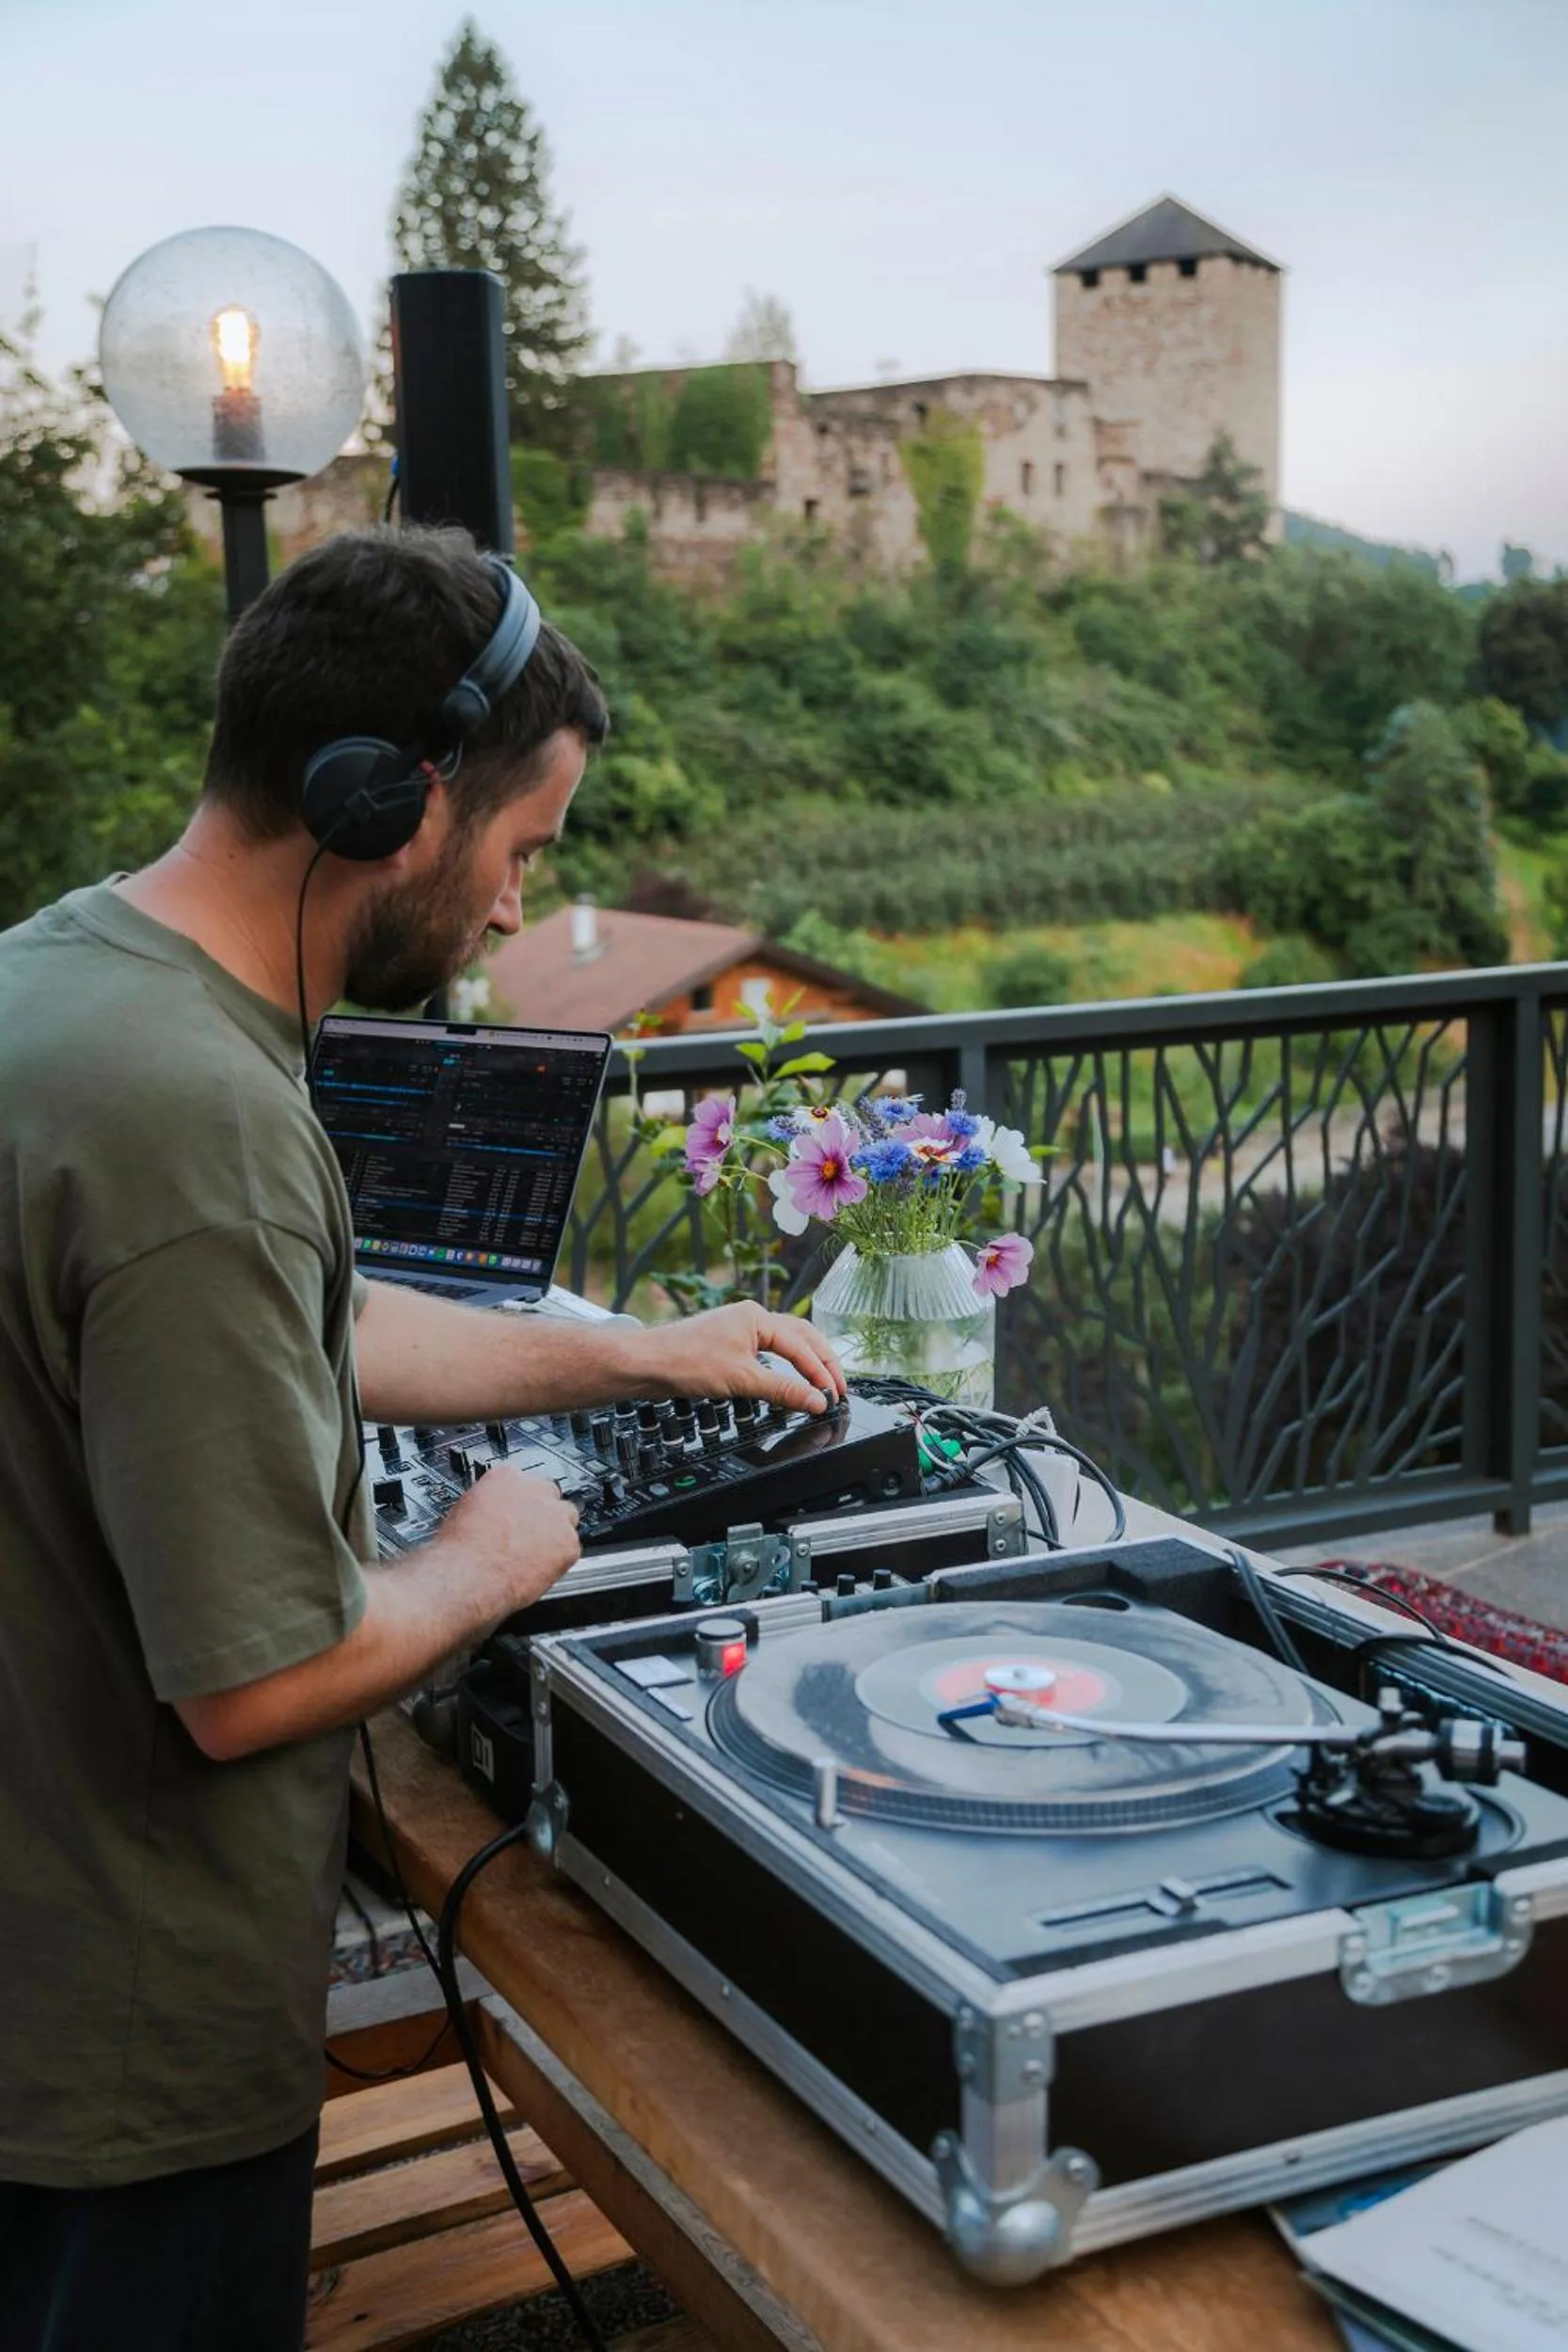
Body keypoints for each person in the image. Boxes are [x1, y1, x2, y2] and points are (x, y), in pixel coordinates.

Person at [0, 525, 845, 2351]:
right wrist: (492, 1553)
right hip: (123, 2051)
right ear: (394, 799)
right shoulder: (198, 1118)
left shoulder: (71, 980)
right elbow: (259, 1675)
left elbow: (312, 1321)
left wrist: (631, 1357)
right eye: (522, 851)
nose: (510, 911)